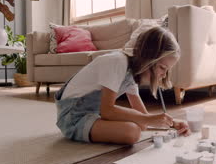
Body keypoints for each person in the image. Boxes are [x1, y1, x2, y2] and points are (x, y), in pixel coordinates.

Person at [55, 26, 190, 145]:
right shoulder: (117, 62)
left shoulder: (131, 73)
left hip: (92, 114)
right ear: (149, 58)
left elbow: (144, 117)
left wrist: (172, 124)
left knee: (139, 126)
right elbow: (108, 111)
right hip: (73, 117)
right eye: (162, 68)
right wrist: (147, 119)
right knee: (132, 132)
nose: (163, 75)